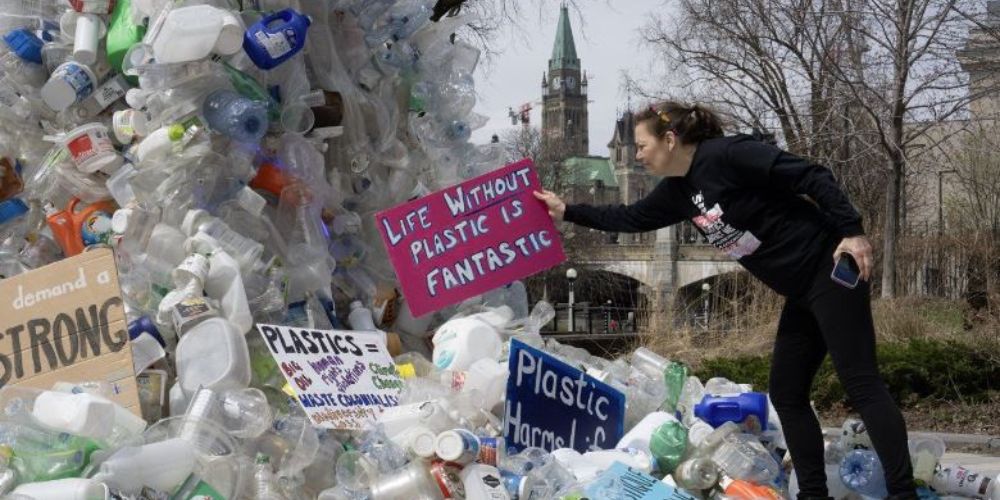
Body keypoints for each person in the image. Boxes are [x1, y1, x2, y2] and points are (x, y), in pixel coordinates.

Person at [534, 101, 917, 500]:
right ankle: (813, 494)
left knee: (861, 384)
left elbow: (811, 175)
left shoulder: (728, 155)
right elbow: (630, 217)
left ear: (670, 139)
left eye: (642, 144)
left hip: (829, 269)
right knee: (786, 393)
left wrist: (852, 231)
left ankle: (903, 493)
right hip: (800, 292)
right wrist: (567, 211)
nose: (638, 155)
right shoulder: (678, 192)